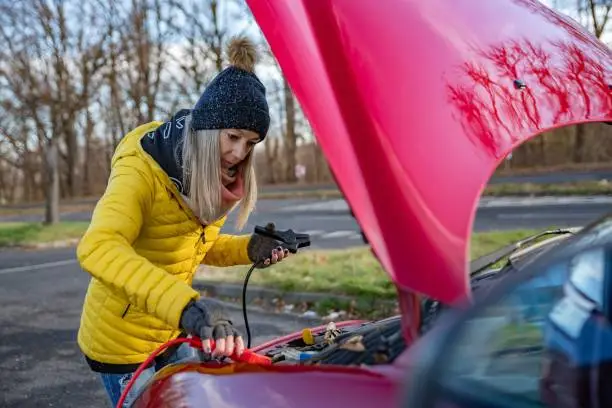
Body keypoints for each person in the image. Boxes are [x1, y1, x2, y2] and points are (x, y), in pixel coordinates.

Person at [76, 36, 289, 407]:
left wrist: (250, 248)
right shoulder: (141, 171)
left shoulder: (207, 176)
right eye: (233, 136)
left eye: (251, 142)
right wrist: (187, 307)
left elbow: (190, 246)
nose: (239, 153)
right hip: (122, 343)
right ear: (208, 128)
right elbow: (98, 247)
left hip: (171, 330)